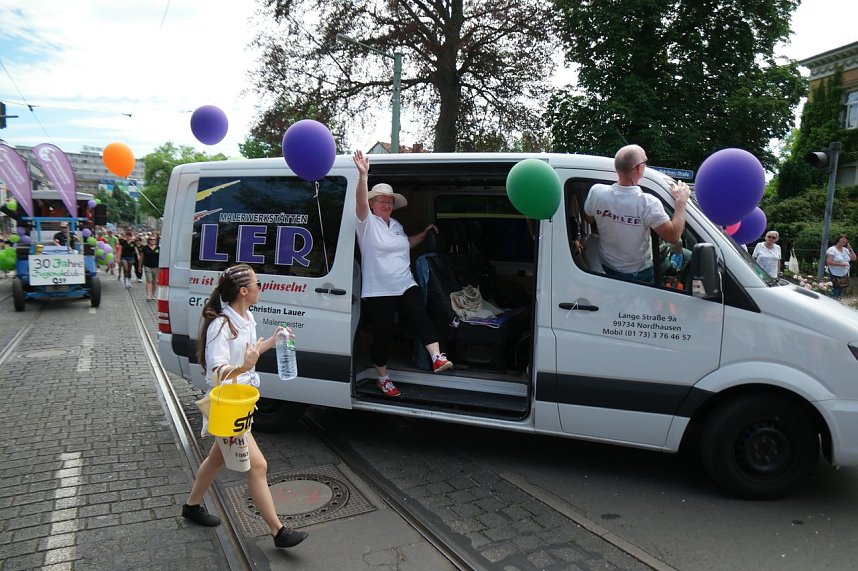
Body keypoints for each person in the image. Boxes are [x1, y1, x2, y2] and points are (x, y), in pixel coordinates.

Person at [181, 263, 308, 549]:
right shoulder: (220, 326)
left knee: (217, 458)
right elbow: (216, 372)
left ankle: (191, 506)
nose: (259, 288)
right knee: (258, 465)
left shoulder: (246, 317)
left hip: (242, 402)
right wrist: (243, 367)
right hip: (228, 406)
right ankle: (278, 532)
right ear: (243, 291)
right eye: (256, 283)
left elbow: (250, 353)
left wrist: (274, 340)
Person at [353, 150, 453, 397]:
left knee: (420, 314)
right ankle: (383, 378)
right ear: (372, 203)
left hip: (404, 282)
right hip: (379, 289)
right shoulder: (366, 223)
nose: (387, 204)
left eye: (389, 201)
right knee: (384, 334)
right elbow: (360, 202)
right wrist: (363, 176)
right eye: (381, 200)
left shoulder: (396, 225)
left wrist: (424, 234)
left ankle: (437, 357)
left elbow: (405, 244)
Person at [583, 145, 691, 283]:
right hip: (638, 273)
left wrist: (609, 218)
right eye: (645, 162)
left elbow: (589, 218)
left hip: (607, 265)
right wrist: (681, 201)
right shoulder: (648, 203)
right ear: (639, 168)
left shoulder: (596, 192)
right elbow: (674, 237)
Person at [826, 234, 856, 300]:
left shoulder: (845, 250)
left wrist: (850, 249)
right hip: (834, 274)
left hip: (844, 275)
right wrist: (841, 264)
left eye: (845, 241)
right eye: (842, 240)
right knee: (833, 294)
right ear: (838, 240)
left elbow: (854, 258)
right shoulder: (832, 249)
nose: (844, 242)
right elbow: (828, 262)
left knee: (839, 295)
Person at [141, 236, 160, 300]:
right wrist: (140, 266)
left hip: (156, 267)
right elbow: (142, 257)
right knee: (149, 280)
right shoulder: (145, 248)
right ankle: (148, 295)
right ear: (148, 240)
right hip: (147, 266)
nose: (153, 240)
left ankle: (153, 294)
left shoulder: (158, 248)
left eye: (154, 239)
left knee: (155, 281)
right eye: (151, 239)